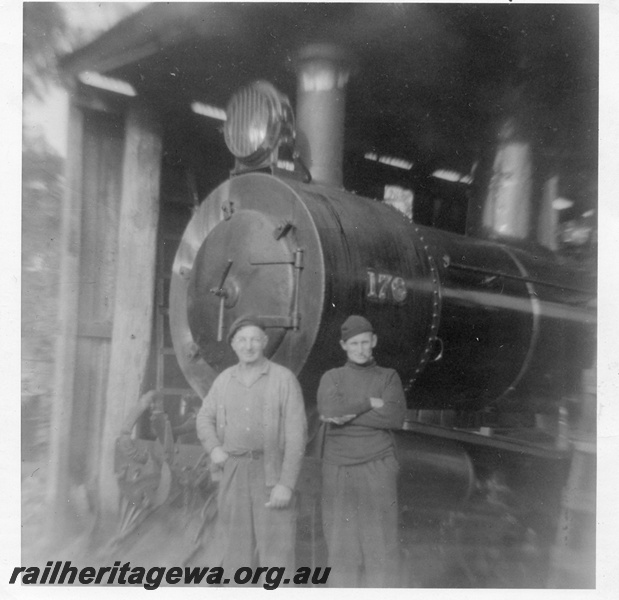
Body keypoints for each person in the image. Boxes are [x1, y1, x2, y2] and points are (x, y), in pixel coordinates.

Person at [196, 315, 307, 576]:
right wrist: (214, 448)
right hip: (233, 473)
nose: (249, 346)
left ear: (265, 342)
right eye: (242, 340)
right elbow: (204, 417)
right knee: (235, 554)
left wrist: (286, 483)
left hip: (271, 475)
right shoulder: (224, 379)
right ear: (233, 344)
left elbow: (297, 435)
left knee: (277, 556)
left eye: (255, 339)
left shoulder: (284, 379)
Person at [318, 315, 406, 587]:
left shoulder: (388, 376)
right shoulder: (332, 377)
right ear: (344, 345)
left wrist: (349, 414)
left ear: (374, 341)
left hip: (377, 467)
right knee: (341, 549)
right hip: (339, 469)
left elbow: (393, 416)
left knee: (380, 548)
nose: (360, 349)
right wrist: (369, 402)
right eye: (354, 343)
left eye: (365, 342)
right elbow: (329, 411)